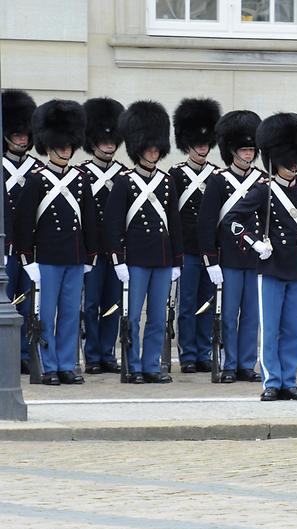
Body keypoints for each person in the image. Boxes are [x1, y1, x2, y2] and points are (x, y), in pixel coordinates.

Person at [223, 112, 297, 402]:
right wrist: (254, 243)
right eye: (288, 161)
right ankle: (271, 381)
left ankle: (289, 381)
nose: (293, 166)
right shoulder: (264, 190)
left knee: (292, 329)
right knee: (271, 329)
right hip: (272, 266)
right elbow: (232, 220)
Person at [15, 99, 97, 385]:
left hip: (74, 259)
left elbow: (89, 221)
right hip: (46, 259)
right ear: (48, 146)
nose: (64, 150)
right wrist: (28, 260)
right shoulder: (37, 180)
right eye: (59, 145)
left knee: (71, 315)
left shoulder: (80, 179)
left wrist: (90, 258)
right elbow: (24, 224)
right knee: (46, 316)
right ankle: (48, 365)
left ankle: (66, 364)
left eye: (68, 145)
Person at [105, 100, 183, 384]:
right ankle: (133, 365)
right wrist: (118, 259)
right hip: (135, 260)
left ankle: (151, 365)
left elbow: (174, 223)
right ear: (138, 149)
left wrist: (177, 261)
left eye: (155, 148)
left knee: (158, 319)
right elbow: (113, 225)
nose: (152, 152)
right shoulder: (125, 182)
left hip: (162, 260)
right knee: (133, 317)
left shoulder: (165, 182)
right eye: (148, 148)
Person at [198, 110, 263, 384]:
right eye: (243, 150)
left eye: (251, 150)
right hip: (228, 259)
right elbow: (206, 223)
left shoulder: (262, 180)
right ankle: (229, 362)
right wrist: (210, 260)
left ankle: (246, 363)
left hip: (256, 258)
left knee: (251, 316)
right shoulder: (218, 181)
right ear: (232, 152)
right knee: (228, 314)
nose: (248, 155)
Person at [170, 97, 222, 374]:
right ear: (187, 145)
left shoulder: (217, 175)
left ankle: (204, 351)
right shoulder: (176, 175)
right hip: (188, 251)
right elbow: (172, 218)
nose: (202, 147)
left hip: (212, 252)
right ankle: (188, 353)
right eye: (197, 143)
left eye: (205, 143)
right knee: (188, 304)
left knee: (208, 304)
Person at [80, 97, 125, 375]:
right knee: (92, 303)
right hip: (93, 249)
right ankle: (92, 353)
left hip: (117, 250)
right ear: (93, 141)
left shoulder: (124, 174)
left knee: (113, 304)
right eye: (103, 140)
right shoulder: (83, 173)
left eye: (112, 140)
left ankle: (108, 352)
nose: (109, 145)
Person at [2, 89, 41, 373]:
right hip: (4, 249)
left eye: (24, 133)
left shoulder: (36, 169)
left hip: (28, 249)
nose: (21, 138)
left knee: (27, 305)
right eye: (16, 133)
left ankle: (24, 355)